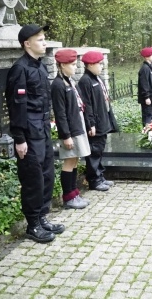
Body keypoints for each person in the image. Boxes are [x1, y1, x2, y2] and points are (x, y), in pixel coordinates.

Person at [5, 24, 65, 243]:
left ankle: (42, 218)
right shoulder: (19, 69)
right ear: (26, 44)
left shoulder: (40, 67)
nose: (44, 42)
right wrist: (19, 139)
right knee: (33, 180)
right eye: (39, 39)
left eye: (44, 38)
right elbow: (16, 106)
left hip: (43, 131)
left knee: (47, 175)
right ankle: (33, 225)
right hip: (29, 135)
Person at [51, 49, 90, 209]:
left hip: (77, 125)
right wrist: (66, 135)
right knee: (69, 161)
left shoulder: (69, 81)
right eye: (72, 65)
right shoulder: (58, 85)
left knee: (75, 160)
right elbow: (60, 113)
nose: (75, 68)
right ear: (62, 65)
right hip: (70, 130)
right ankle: (68, 197)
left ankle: (74, 193)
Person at [77, 51, 119, 191]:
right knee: (94, 151)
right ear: (89, 65)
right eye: (99, 64)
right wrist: (91, 124)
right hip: (95, 123)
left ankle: (100, 176)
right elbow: (86, 104)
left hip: (103, 120)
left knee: (99, 150)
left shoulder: (97, 78)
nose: (101, 66)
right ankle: (94, 180)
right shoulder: (85, 81)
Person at [138, 47, 152, 126]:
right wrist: (146, 97)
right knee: (147, 116)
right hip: (147, 98)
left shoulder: (150, 67)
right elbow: (144, 84)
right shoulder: (145, 68)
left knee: (150, 115)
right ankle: (146, 130)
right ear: (147, 57)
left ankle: (150, 130)